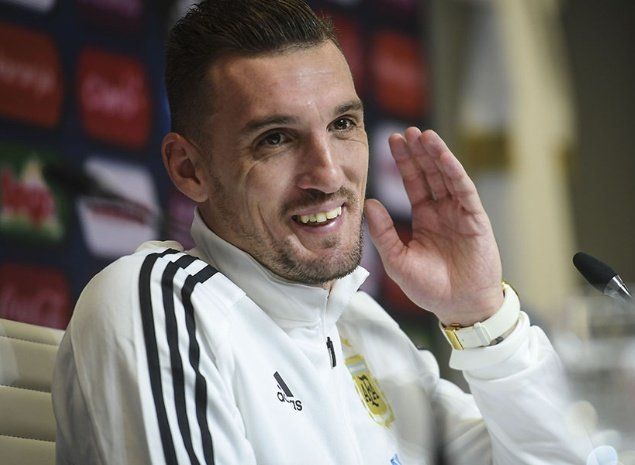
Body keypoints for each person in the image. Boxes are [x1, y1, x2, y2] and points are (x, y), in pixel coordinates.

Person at [52, 1, 589, 464]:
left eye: (342, 125)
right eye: (276, 139)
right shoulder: (158, 302)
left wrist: (481, 315)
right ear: (189, 169)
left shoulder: (364, 326)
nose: (329, 175)